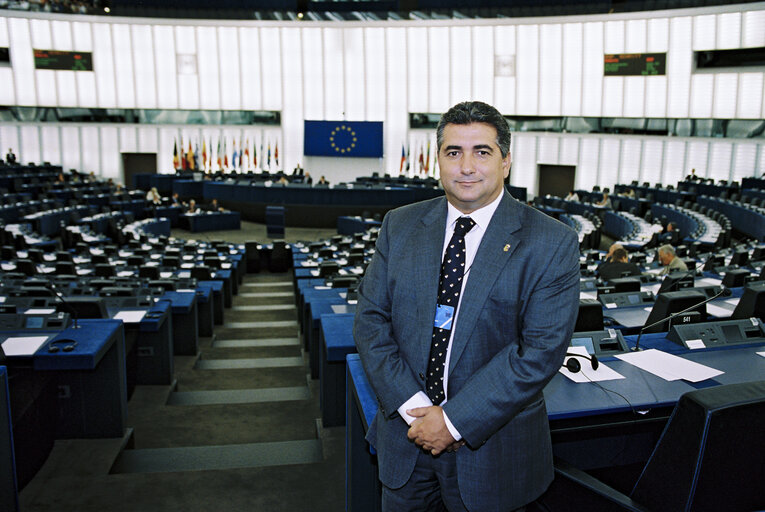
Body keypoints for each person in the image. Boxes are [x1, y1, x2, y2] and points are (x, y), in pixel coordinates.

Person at [353, 101, 580, 512]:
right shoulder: (399, 224)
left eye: (482, 151)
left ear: (506, 160)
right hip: (405, 441)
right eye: (453, 152)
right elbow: (371, 321)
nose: (466, 167)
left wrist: (453, 421)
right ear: (437, 159)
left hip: (493, 451)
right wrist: (415, 411)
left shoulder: (551, 242)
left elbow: (539, 353)